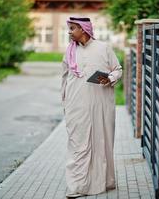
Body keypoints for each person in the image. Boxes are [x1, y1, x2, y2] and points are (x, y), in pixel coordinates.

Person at [60, 17, 122, 198]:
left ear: (83, 29)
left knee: (102, 142)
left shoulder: (104, 48)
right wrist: (65, 102)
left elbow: (118, 69)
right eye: (69, 29)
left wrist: (109, 78)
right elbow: (64, 78)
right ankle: (77, 186)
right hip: (76, 106)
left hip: (100, 105)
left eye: (72, 28)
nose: (69, 32)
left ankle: (105, 181)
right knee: (78, 144)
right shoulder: (69, 51)